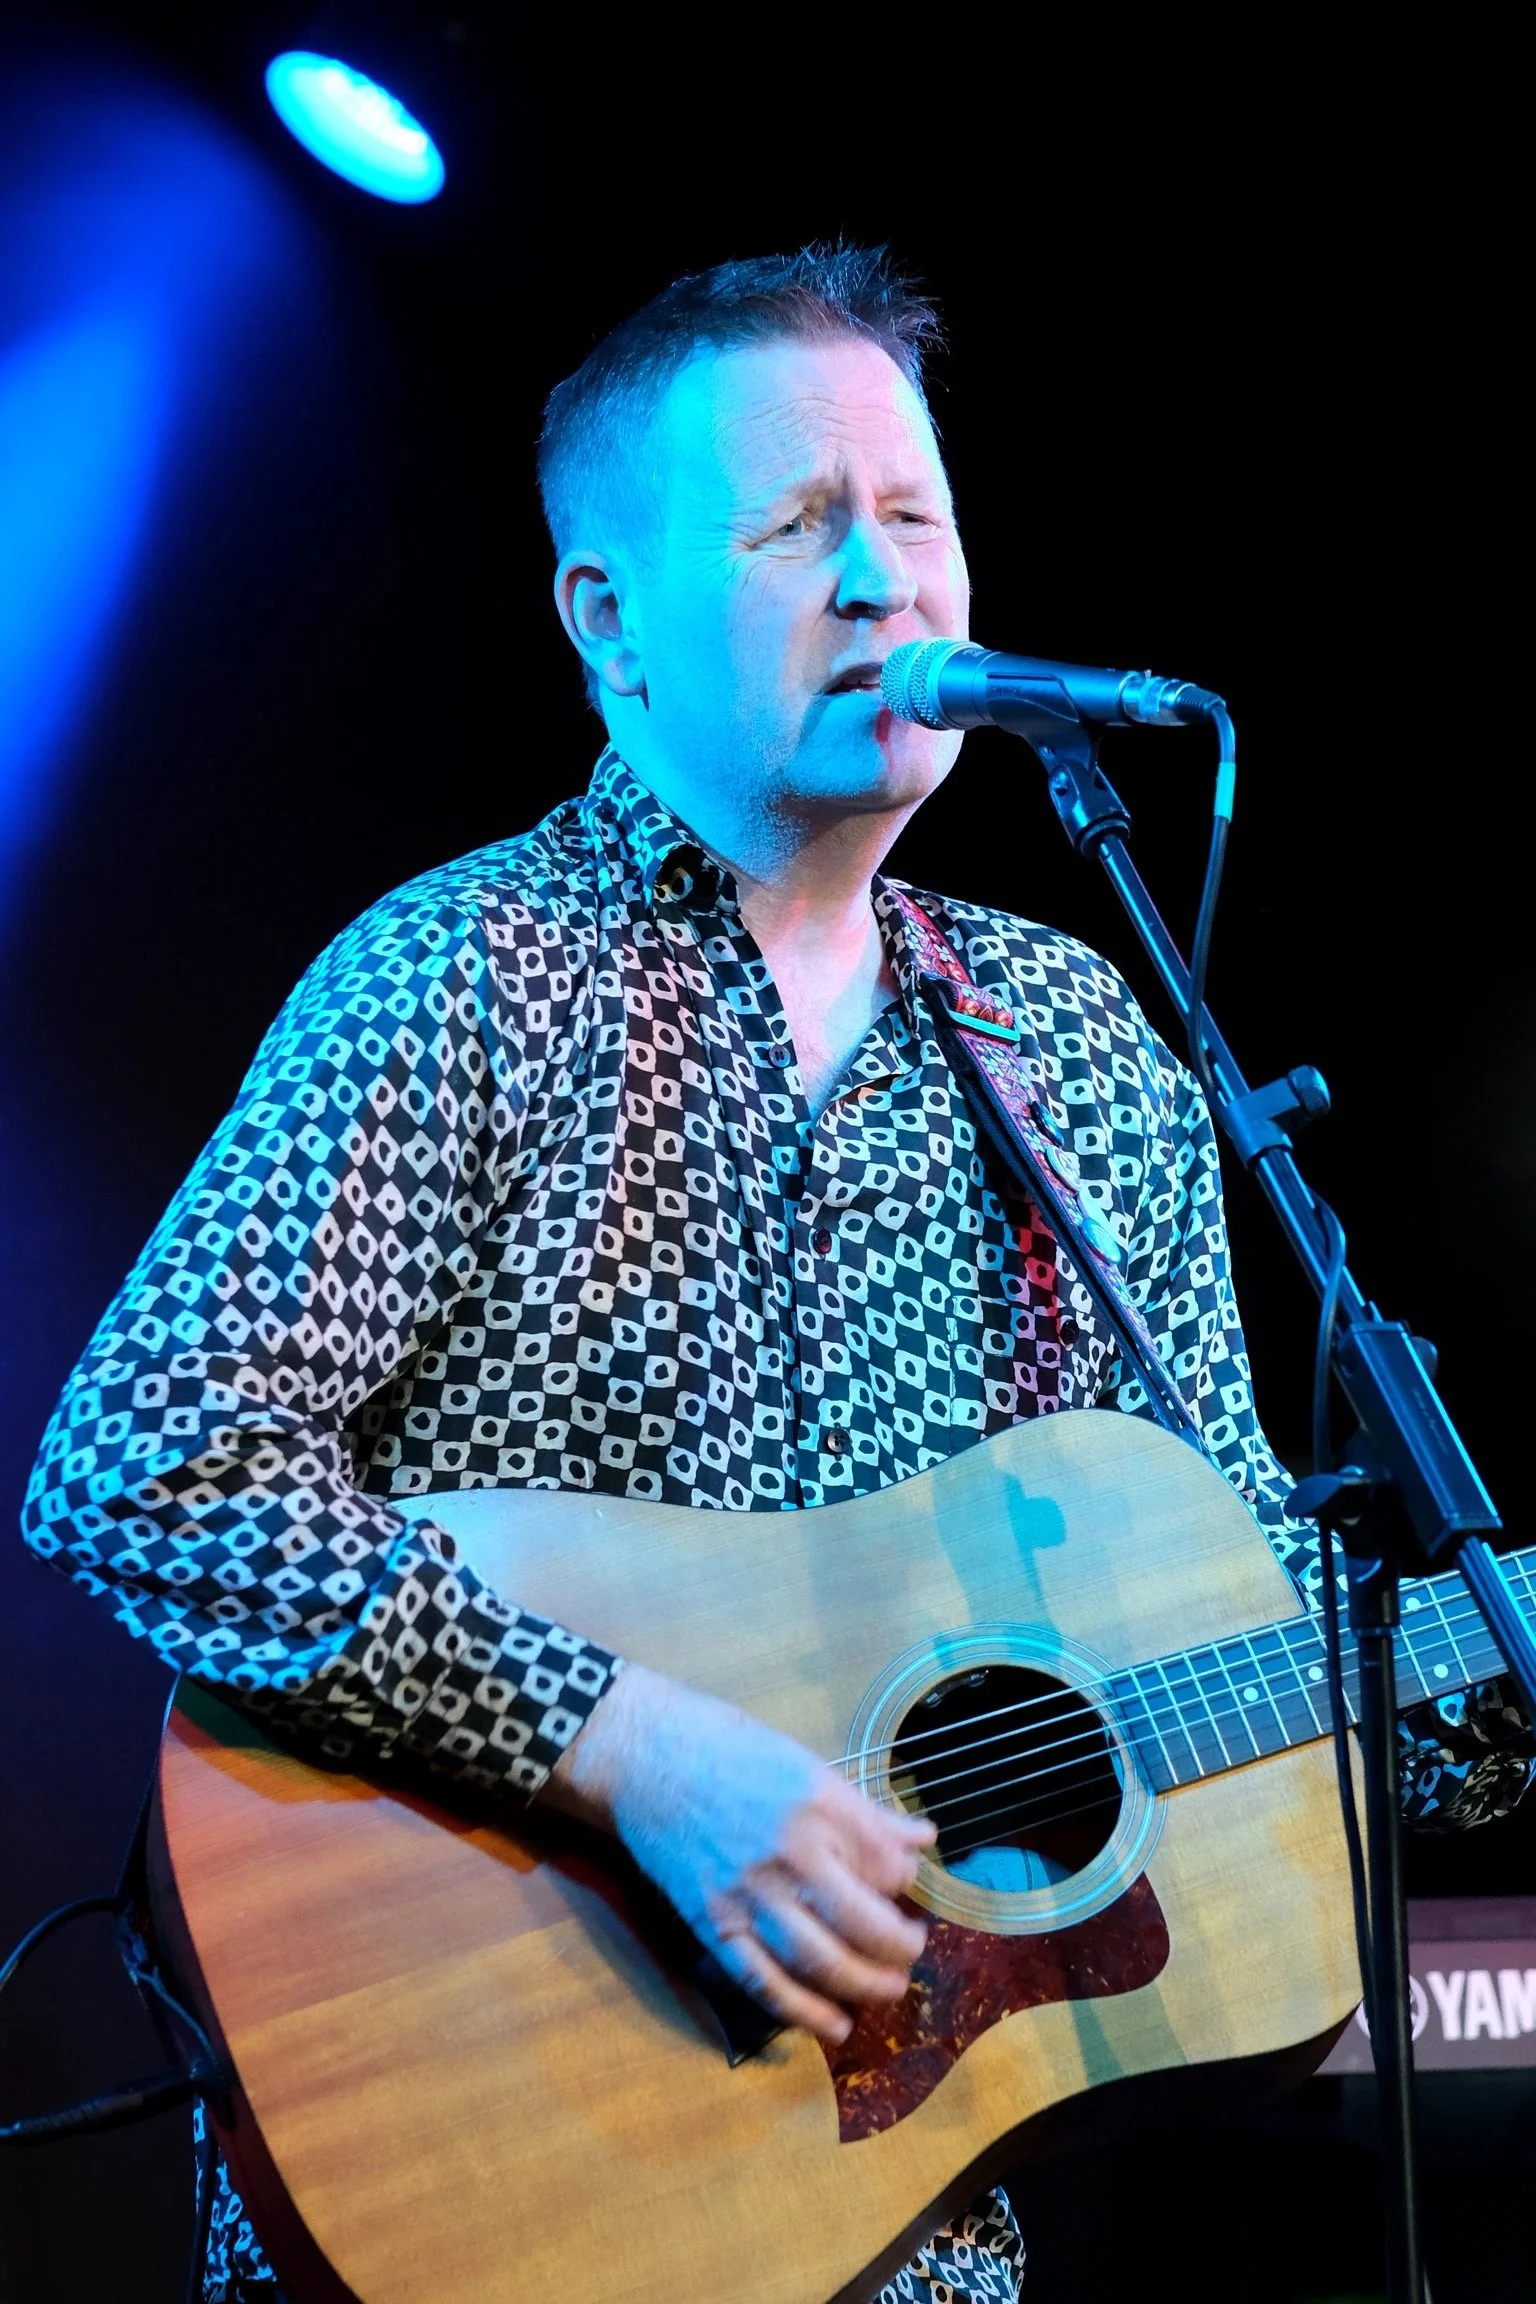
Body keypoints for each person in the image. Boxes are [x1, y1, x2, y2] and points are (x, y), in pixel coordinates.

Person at [23, 245, 1533, 2304]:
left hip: (905, 2207)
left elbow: (1252, 1599)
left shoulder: (1078, 1040)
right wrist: (638, 1746)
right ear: (609, 624)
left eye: (916, 517)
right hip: (469, 2157)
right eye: (795, 524)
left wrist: (1488, 1661)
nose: (884, 582)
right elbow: (139, 1465)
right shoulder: (465, 977)